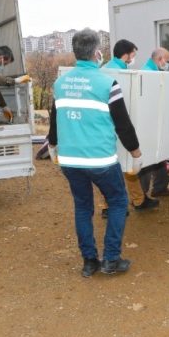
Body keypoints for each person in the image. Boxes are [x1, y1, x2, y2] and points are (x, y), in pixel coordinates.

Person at [48, 29, 143, 277]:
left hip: (70, 160)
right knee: (118, 201)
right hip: (100, 159)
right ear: (97, 53)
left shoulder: (60, 83)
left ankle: (89, 261)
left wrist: (53, 143)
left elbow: (55, 118)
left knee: (83, 207)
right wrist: (136, 152)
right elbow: (123, 123)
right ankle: (111, 259)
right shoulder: (107, 83)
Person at [99, 39, 159, 217]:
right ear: (126, 53)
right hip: (115, 126)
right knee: (114, 167)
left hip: (107, 126)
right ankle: (110, 206)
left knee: (124, 166)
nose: (134, 57)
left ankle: (138, 200)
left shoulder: (108, 68)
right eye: (133, 53)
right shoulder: (118, 72)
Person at [137, 47, 169, 202]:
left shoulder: (153, 71)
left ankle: (160, 187)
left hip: (155, 121)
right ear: (160, 59)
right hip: (149, 123)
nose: (167, 63)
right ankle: (142, 195)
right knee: (147, 159)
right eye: (167, 60)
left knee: (160, 154)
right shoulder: (147, 73)